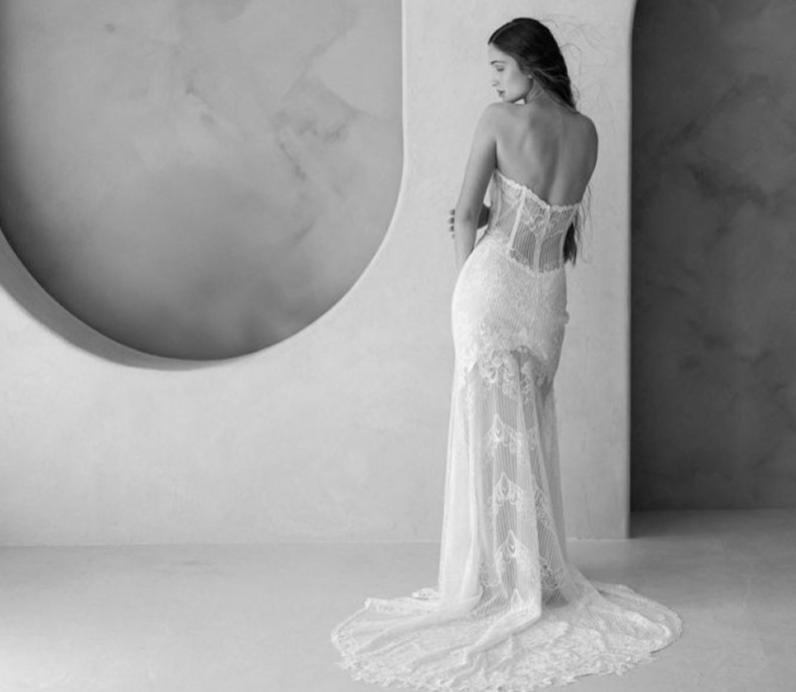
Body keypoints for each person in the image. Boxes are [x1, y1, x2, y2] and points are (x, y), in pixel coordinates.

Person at [331, 18, 681, 691]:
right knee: (525, 428)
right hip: (548, 293)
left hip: (492, 286)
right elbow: (559, 217)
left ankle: (494, 578)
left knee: (487, 432)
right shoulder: (587, 134)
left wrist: (466, 274)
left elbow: (464, 214)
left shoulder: (498, 119)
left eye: (498, 65)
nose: (493, 79)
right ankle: (527, 576)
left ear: (527, 63)